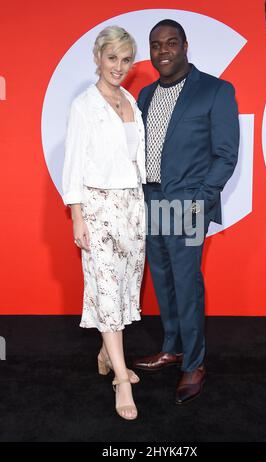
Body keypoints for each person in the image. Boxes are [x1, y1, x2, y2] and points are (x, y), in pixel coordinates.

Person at [133, 19, 240, 404]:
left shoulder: (214, 90)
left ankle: (194, 363)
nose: (163, 51)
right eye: (156, 44)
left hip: (187, 202)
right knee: (163, 281)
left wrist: (202, 197)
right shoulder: (144, 95)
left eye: (171, 43)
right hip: (151, 199)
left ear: (185, 45)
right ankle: (172, 348)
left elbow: (226, 154)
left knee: (187, 284)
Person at [62, 26, 146, 420]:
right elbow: (73, 163)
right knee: (108, 290)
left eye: (126, 59)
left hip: (133, 205)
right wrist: (77, 215)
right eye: (112, 58)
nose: (119, 67)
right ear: (97, 57)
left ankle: (106, 354)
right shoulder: (84, 105)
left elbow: (134, 161)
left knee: (127, 286)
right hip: (98, 205)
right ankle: (122, 382)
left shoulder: (130, 99)